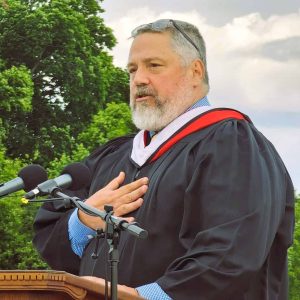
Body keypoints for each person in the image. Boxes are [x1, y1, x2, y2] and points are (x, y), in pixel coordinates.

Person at [33, 19, 295, 299]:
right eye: (132, 70)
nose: (139, 79)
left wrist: (148, 297)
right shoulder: (112, 158)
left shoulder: (231, 145)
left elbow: (233, 252)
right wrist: (83, 220)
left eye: (153, 66)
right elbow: (54, 247)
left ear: (196, 71)